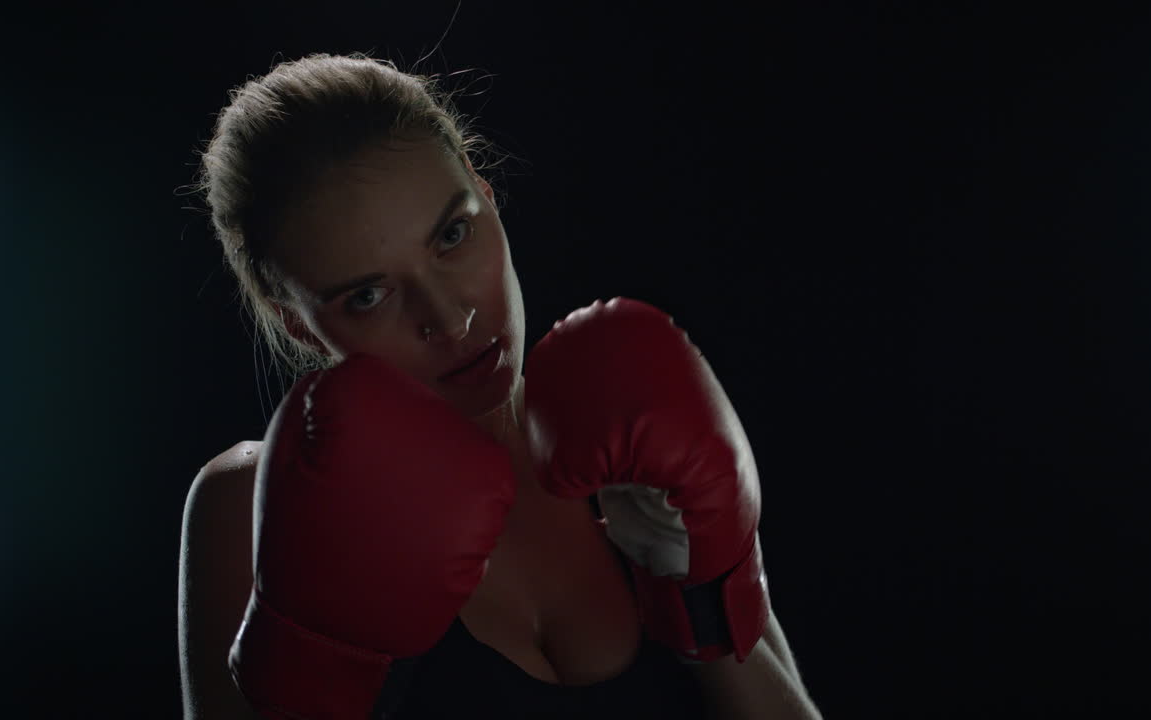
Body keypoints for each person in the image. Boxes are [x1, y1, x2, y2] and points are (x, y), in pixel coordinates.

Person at [178, 52, 823, 719]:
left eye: (453, 235)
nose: (449, 316)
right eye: (368, 294)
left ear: (486, 197)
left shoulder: (627, 426)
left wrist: (699, 607)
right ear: (301, 326)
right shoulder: (245, 510)